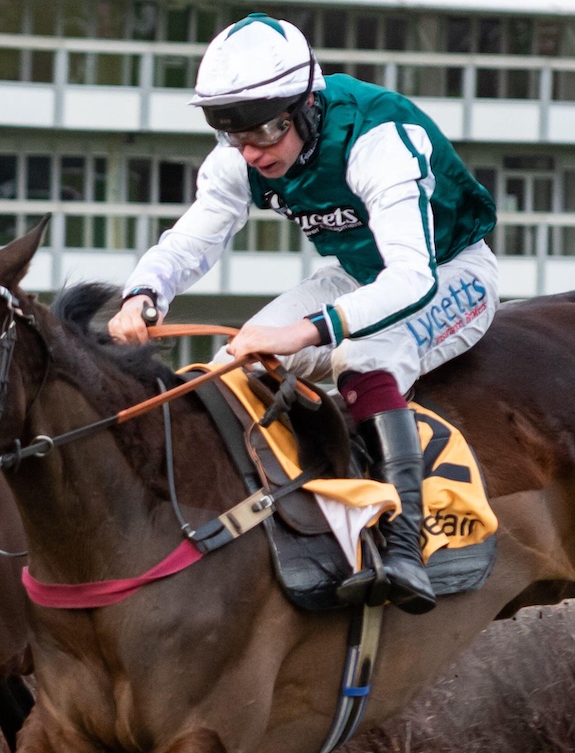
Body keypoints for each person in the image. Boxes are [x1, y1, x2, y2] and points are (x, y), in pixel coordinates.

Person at [107, 14, 498, 614]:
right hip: (353, 276)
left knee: (363, 353)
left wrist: (307, 330)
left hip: (451, 271)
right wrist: (144, 293)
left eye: (266, 129)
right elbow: (192, 243)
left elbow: (411, 279)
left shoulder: (378, 138)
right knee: (231, 367)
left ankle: (404, 542)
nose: (252, 150)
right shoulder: (242, 154)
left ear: (308, 105)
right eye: (232, 132)